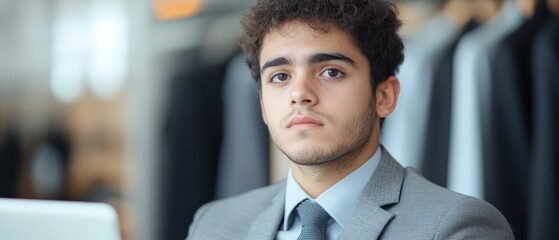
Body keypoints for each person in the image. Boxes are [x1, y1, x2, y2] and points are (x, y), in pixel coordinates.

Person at [186, 0, 514, 239]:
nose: (299, 93)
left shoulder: (458, 227)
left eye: (331, 71)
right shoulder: (213, 225)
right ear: (262, 105)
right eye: (280, 76)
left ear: (384, 96)